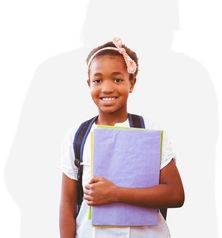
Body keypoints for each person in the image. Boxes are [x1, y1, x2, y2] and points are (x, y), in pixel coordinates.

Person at [59, 37, 185, 238]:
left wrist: (115, 193)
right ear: (88, 83)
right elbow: (67, 204)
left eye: (117, 79)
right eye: (98, 80)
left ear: (132, 82)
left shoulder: (149, 131)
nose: (107, 88)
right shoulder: (77, 136)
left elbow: (176, 195)